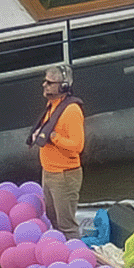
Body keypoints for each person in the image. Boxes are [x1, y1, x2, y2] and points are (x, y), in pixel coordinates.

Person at [28, 65, 84, 239]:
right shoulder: (51, 106)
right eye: (45, 81)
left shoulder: (71, 110)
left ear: (64, 86)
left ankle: (76, 259)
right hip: (49, 172)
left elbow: (77, 146)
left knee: (66, 225)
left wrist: (53, 137)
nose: (44, 85)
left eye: (50, 82)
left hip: (64, 175)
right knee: (53, 219)